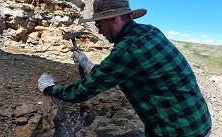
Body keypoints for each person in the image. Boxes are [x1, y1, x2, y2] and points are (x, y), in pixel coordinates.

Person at [38, 0, 212, 136]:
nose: (99, 31)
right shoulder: (150, 31)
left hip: (177, 131)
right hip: (199, 120)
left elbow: (85, 91)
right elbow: (123, 71)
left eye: (99, 24)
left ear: (114, 19)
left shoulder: (127, 49)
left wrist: (51, 89)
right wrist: (88, 64)